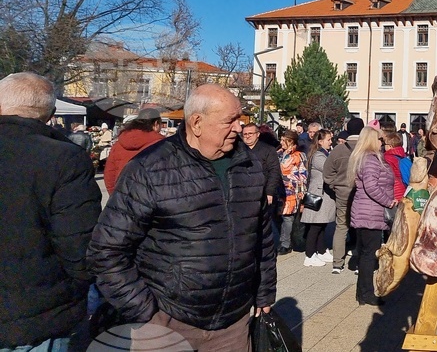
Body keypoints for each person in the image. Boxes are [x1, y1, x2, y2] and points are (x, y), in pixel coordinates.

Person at [88, 83, 276, 351]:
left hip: (233, 323)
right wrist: (145, 312)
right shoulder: (150, 168)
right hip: (167, 322)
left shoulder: (249, 165)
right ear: (197, 123)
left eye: (240, 118)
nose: (239, 128)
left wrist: (265, 292)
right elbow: (106, 250)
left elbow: (263, 238)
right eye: (230, 120)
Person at [0, 72, 102, 351]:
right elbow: (81, 249)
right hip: (38, 318)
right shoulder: (64, 158)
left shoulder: (62, 157)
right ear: (51, 114)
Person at [349, 126, 396, 306]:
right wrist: (388, 201)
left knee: (365, 255)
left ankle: (363, 293)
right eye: (380, 139)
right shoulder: (370, 160)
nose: (382, 143)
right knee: (369, 256)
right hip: (370, 213)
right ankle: (366, 294)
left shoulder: (365, 158)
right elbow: (371, 186)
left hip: (366, 212)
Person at [324, 117, 364, 274]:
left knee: (341, 226)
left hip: (342, 191)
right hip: (362, 192)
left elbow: (327, 173)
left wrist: (335, 185)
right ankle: (360, 263)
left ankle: (337, 263)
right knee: (361, 227)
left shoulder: (338, 150)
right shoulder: (366, 149)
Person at [242, 122, 283, 252]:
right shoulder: (239, 150)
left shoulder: (268, 150)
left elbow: (274, 172)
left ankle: (265, 249)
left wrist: (270, 192)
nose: (247, 137)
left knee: (263, 224)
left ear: (257, 134)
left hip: (263, 192)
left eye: (250, 134)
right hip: (244, 194)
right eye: (245, 134)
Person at [102, 107, 165, 193]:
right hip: (151, 196)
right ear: (156, 124)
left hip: (122, 194)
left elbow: (109, 173)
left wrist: (114, 196)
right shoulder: (162, 145)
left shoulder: (119, 144)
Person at [301, 129, 336, 266]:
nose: (330, 142)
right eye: (328, 139)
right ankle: (309, 255)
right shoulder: (319, 156)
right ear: (320, 141)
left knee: (321, 224)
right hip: (318, 194)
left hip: (322, 194)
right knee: (315, 226)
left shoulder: (323, 153)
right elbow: (330, 169)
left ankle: (321, 250)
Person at [276, 130, 308, 254]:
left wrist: (302, 192)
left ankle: (285, 243)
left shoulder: (299, 155)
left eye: (284, 140)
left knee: (287, 217)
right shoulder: (279, 153)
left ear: (291, 141)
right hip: (279, 190)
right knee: (281, 217)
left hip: (292, 190)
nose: (281, 142)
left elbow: (303, 174)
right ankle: (285, 240)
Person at [382, 130, 408, 201]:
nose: (383, 146)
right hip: (403, 189)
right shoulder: (403, 156)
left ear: (390, 146)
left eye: (385, 144)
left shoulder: (387, 157)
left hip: (393, 189)